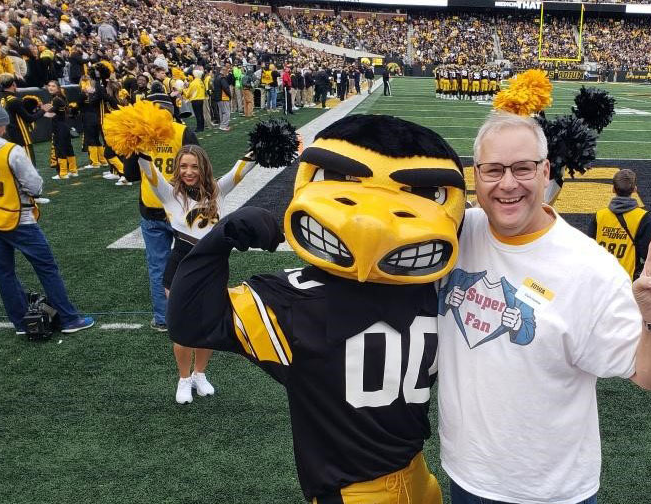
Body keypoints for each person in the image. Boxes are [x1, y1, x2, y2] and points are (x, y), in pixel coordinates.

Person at [166, 115, 464, 502]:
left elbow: (189, 319)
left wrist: (218, 241)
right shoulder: (435, 282)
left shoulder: (292, 298)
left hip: (387, 479)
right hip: (377, 484)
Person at [438, 111, 651, 503]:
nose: (507, 184)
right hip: (465, 475)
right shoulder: (453, 234)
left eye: (522, 168)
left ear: (545, 170)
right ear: (475, 174)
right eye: (493, 170)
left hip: (551, 490)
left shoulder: (592, 268)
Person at [139, 144, 256, 403]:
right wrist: (138, 145)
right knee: (182, 327)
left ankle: (199, 374)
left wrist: (262, 146)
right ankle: (183, 379)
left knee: (208, 324)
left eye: (194, 166)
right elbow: (149, 171)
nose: (188, 172)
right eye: (183, 166)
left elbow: (241, 170)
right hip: (181, 266)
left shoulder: (217, 190)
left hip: (214, 267)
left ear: (203, 167)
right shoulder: (169, 194)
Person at [0, 100, 93, 335]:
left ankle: (20, 323)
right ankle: (69, 319)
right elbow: (36, 186)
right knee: (46, 267)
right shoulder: (11, 151)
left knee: (3, 271)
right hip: (19, 218)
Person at [136, 92, 200, 332]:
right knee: (189, 261)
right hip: (181, 208)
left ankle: (163, 318)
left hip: (151, 207)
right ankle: (190, 312)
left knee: (158, 265)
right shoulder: (182, 131)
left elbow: (132, 173)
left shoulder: (141, 135)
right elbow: (200, 167)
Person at [587, 168, 651, 279]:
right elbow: (647, 254)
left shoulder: (599, 215)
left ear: (613, 189)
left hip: (599, 279)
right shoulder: (642, 217)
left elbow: (588, 248)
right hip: (626, 282)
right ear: (634, 189)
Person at [0, 73, 47, 166]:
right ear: (13, 84)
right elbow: (29, 118)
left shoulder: (1, 99)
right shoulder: (14, 100)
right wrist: (43, 110)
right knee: (30, 165)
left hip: (10, 136)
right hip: (22, 137)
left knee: (18, 167)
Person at [43, 80, 77, 179]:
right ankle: (73, 171)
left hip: (59, 127)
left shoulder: (56, 99)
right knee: (68, 148)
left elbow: (50, 114)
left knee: (60, 149)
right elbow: (56, 113)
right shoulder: (60, 97)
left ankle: (63, 173)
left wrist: (40, 110)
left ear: (57, 88)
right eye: (49, 85)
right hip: (64, 126)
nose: (50, 88)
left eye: (53, 86)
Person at [214, 66, 232, 131]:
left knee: (222, 112)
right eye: (226, 72)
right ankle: (224, 126)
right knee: (226, 112)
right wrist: (230, 95)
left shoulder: (216, 78)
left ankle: (222, 125)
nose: (227, 74)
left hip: (218, 98)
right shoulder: (222, 78)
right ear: (224, 71)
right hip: (223, 97)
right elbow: (226, 88)